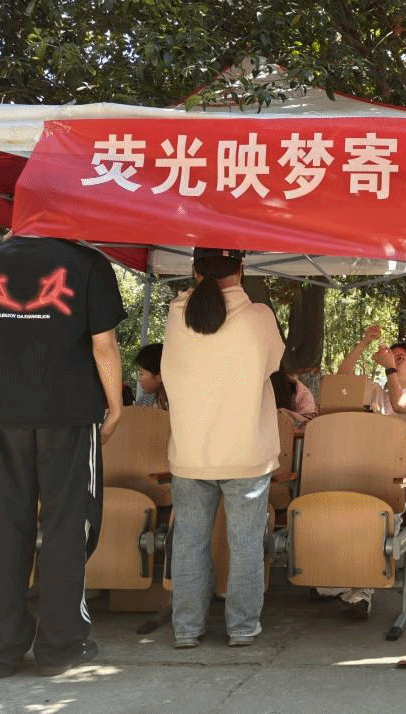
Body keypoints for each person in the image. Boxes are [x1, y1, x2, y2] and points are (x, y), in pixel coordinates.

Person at [0, 235, 125, 678]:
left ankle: (0, 650)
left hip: (3, 413)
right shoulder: (88, 263)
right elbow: (103, 345)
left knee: (3, 526)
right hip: (67, 411)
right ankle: (60, 646)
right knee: (66, 525)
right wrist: (115, 405)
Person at [161, 247, 283, 650]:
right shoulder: (258, 317)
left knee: (189, 542)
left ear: (194, 271)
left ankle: (186, 629)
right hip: (246, 452)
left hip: (190, 453)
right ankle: (242, 627)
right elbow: (272, 365)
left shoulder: (177, 314)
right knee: (245, 545)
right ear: (241, 269)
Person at [322, 324, 406, 618]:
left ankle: (361, 593)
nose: (394, 361)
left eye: (401, 359)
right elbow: (342, 379)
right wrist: (364, 342)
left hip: (398, 477)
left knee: (378, 526)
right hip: (363, 469)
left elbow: (399, 404)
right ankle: (338, 580)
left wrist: (389, 370)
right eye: (391, 357)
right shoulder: (375, 391)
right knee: (339, 514)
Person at [132, 343, 168, 410]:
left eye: (141, 374)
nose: (139, 380)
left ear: (160, 376)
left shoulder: (182, 403)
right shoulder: (143, 403)